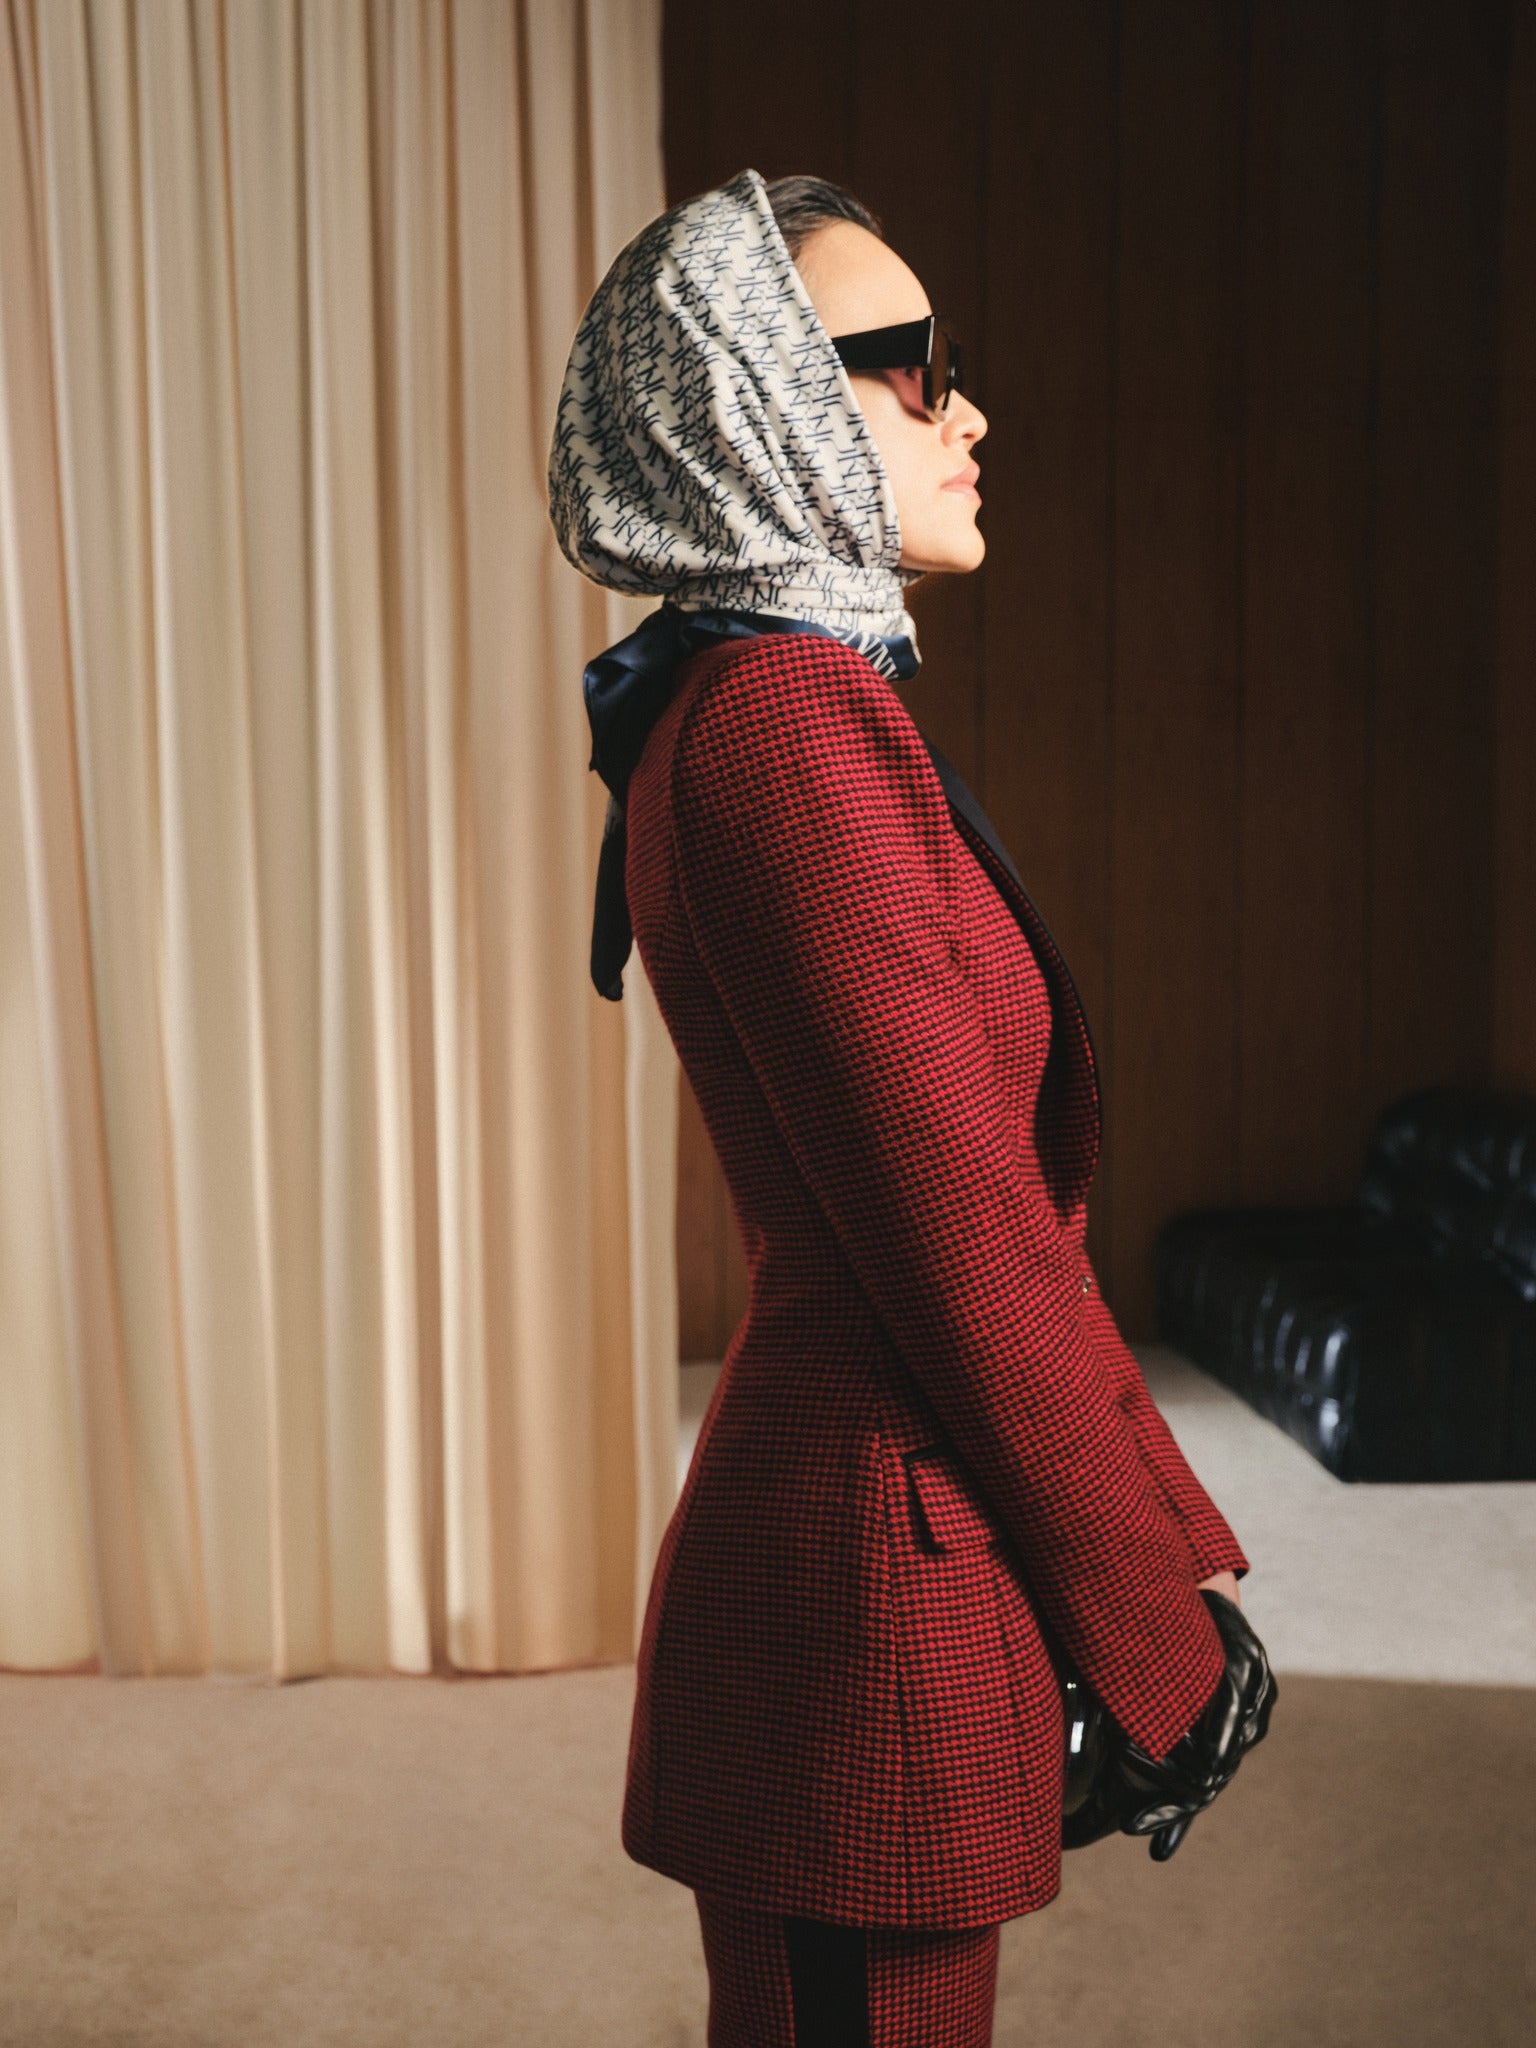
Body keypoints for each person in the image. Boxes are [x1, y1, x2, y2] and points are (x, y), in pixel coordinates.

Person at [548, 167, 1252, 2048]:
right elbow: (966, 1251)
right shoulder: (782, 718)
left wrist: (1154, 1567)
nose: (971, 409)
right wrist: (1160, 1629)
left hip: (883, 1567)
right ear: (756, 399)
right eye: (910, 364)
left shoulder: (770, 697)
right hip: (869, 1597)